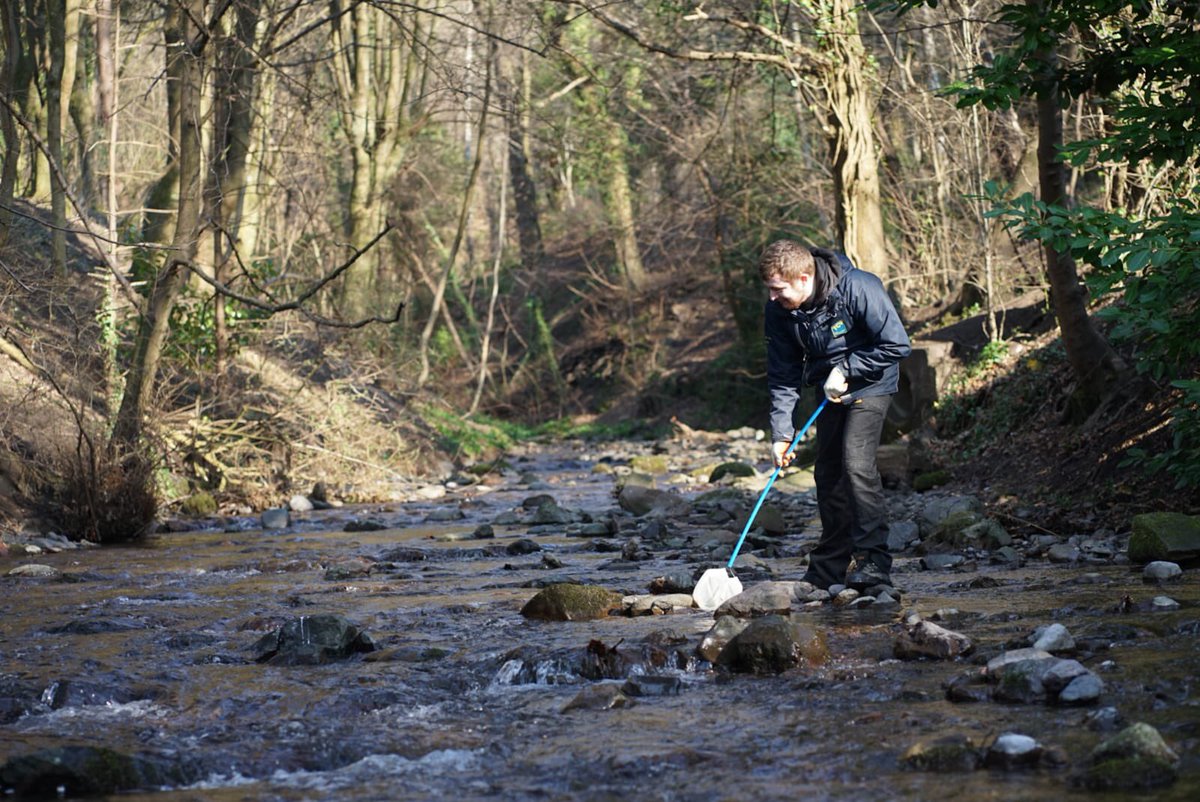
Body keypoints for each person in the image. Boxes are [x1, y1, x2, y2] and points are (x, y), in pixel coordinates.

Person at [760, 240, 911, 591]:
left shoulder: (860, 287)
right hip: (827, 390)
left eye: (778, 289)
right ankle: (828, 569)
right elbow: (782, 374)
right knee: (827, 473)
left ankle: (874, 564)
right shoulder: (779, 311)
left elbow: (897, 344)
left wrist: (848, 368)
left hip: (872, 382)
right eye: (769, 289)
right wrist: (782, 434)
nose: (772, 297)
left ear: (803, 277)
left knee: (855, 464)